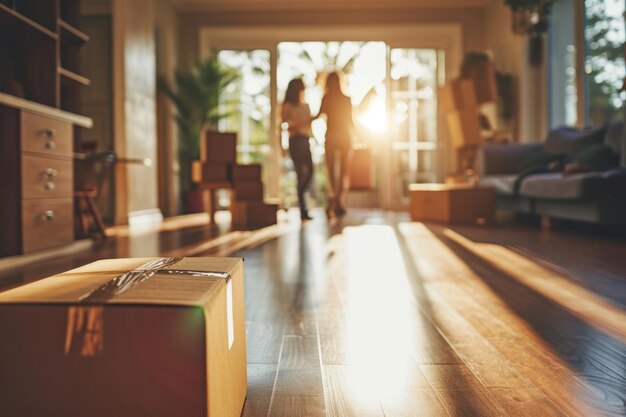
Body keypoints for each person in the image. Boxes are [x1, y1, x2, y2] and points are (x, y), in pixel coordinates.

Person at [316, 72, 354, 217]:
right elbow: (350, 122)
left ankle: (333, 200)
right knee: (343, 171)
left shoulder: (326, 98)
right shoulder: (346, 99)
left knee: (331, 171)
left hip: (332, 135)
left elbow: (317, 116)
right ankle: (338, 201)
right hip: (343, 136)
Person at [281, 78, 314, 221]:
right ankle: (302, 208)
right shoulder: (288, 106)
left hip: (305, 140)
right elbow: (284, 125)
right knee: (300, 174)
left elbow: (308, 127)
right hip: (295, 141)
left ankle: (301, 197)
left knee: (310, 171)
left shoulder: (306, 106)